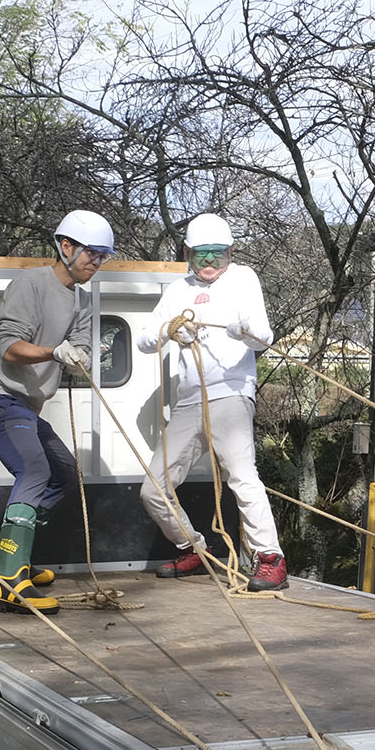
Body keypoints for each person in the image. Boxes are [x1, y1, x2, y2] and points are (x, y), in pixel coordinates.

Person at [0, 209, 109, 611]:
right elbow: (10, 349)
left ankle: (11, 558)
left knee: (63, 475)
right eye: (92, 254)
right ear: (66, 246)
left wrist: (81, 355)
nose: (96, 263)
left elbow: (77, 347)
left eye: (103, 257)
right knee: (34, 470)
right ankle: (9, 582)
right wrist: (53, 351)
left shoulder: (81, 301)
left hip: (24, 407)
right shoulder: (30, 284)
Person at [138, 213, 289, 590]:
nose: (209, 264)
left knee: (241, 476)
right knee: (153, 488)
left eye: (217, 256)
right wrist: (168, 329)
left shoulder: (244, 278)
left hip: (232, 392)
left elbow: (263, 337)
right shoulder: (176, 291)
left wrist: (245, 332)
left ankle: (271, 557)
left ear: (231, 253)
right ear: (187, 253)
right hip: (190, 400)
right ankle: (195, 549)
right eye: (201, 256)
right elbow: (144, 340)